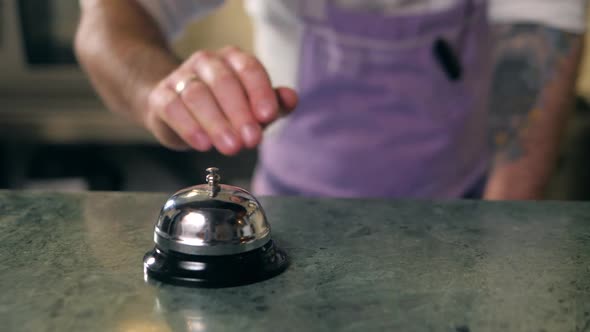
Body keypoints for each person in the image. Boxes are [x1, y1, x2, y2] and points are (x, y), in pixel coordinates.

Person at [75, 0, 585, 199]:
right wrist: (159, 92)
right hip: (289, 211)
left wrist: (491, 262)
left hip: (463, 210)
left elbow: (536, 62)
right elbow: (113, 18)